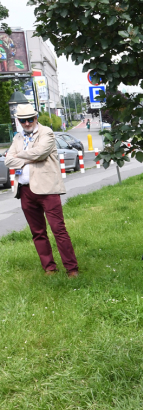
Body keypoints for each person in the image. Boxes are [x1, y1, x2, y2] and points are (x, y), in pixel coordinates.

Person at [4, 100, 79, 277]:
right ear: (18, 121)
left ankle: (72, 268)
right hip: (25, 190)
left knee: (58, 229)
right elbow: (8, 160)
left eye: (30, 119)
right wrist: (28, 158)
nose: (27, 123)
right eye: (23, 120)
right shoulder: (17, 137)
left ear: (36, 117)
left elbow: (40, 153)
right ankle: (49, 268)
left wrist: (19, 156)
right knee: (37, 232)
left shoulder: (47, 132)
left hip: (47, 189)